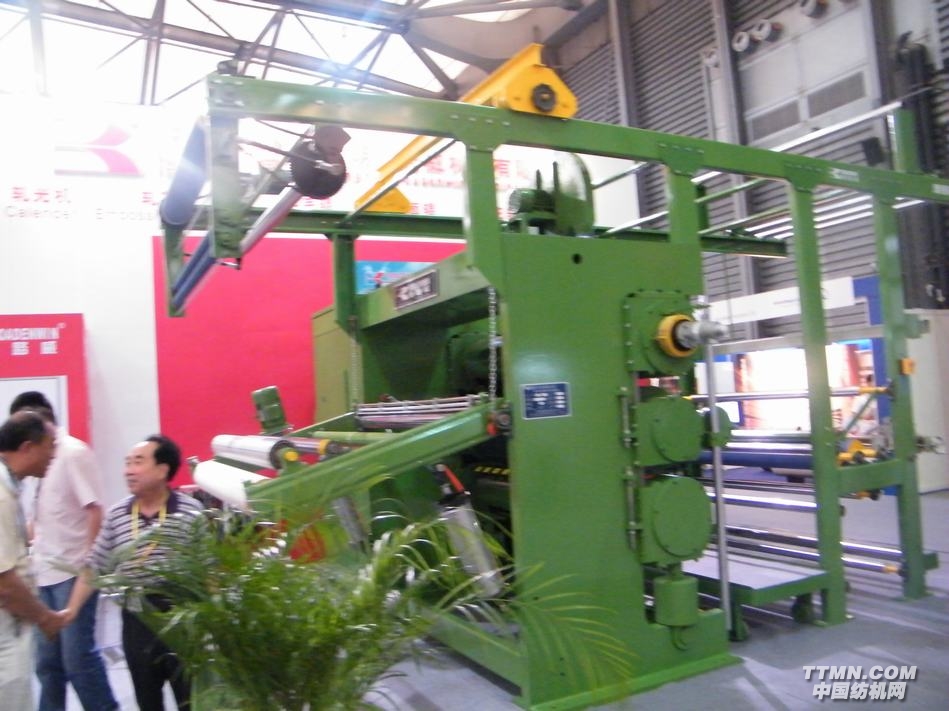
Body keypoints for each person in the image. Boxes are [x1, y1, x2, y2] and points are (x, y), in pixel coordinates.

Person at [67, 434, 203, 711]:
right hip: (136, 620)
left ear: (162, 470)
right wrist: (70, 610)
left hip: (180, 617)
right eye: (127, 463)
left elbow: (208, 568)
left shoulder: (191, 512)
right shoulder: (118, 514)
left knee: (190, 700)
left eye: (138, 462)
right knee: (146, 700)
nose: (128, 470)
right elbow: (95, 565)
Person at [9, 392, 118, 711]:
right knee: (47, 665)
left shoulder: (72, 453)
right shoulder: (38, 464)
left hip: (72, 574)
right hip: (42, 573)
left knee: (78, 661)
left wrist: (88, 568)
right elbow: (45, 516)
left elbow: (95, 510)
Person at [0, 411, 68, 708]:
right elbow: (4, 582)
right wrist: (44, 618)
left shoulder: (12, 488)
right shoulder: (1, 494)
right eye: (49, 445)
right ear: (28, 447)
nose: (53, 454)